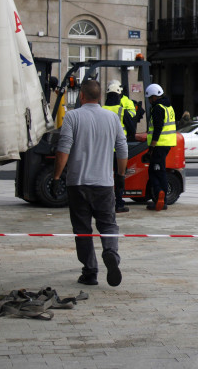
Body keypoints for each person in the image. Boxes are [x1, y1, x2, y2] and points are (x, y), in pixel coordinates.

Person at [52, 79, 126, 287]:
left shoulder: (72, 117)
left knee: (83, 229)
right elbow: (122, 148)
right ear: (100, 96)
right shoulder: (112, 118)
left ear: (82, 96)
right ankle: (111, 253)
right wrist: (120, 175)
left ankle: (90, 272)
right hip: (104, 184)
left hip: (78, 184)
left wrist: (57, 177)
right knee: (108, 223)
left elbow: (64, 148)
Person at [103, 83, 136, 213]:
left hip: (104, 150)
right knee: (120, 176)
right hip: (119, 150)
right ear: (118, 95)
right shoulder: (121, 110)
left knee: (105, 177)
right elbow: (132, 129)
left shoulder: (102, 109)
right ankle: (118, 203)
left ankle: (105, 203)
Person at [146, 83, 176, 211]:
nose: (149, 101)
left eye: (149, 98)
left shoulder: (158, 108)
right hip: (167, 143)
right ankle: (161, 197)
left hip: (159, 144)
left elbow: (158, 128)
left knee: (156, 172)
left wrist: (151, 148)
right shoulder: (168, 106)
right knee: (159, 170)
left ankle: (160, 196)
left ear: (153, 97)